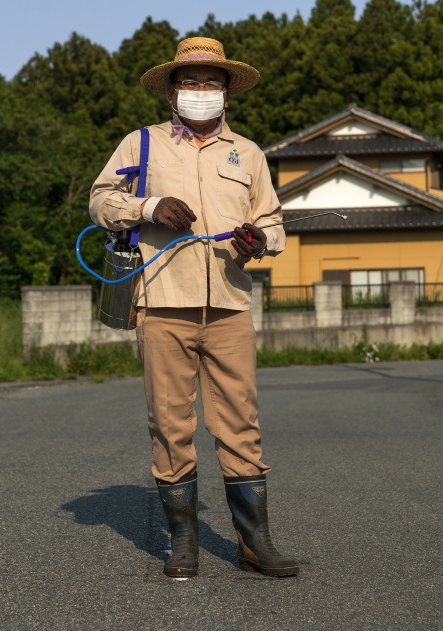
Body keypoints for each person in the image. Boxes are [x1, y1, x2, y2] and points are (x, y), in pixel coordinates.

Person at [89, 37, 299, 578]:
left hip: (228, 303)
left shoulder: (248, 153)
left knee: (241, 425)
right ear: (170, 92)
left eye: (211, 82)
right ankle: (183, 543)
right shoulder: (140, 145)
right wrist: (150, 205)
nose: (200, 91)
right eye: (190, 82)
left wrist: (260, 242)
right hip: (162, 302)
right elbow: (100, 200)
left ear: (227, 93)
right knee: (170, 424)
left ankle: (256, 544)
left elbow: (272, 221)